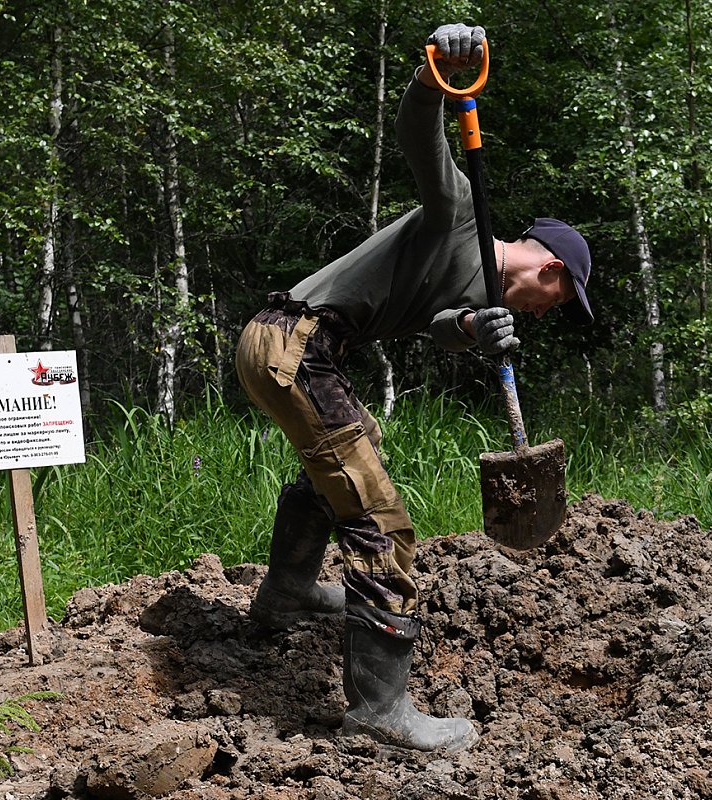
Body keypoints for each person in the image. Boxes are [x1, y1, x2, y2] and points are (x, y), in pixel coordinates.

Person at [233, 23, 592, 753]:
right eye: (558, 301)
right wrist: (436, 78)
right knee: (381, 521)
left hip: (289, 344)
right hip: (296, 344)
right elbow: (416, 132)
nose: (547, 313)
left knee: (355, 448)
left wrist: (470, 330)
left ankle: (289, 593)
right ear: (551, 271)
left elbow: (434, 324)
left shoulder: (477, 279)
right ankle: (380, 711)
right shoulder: (457, 209)